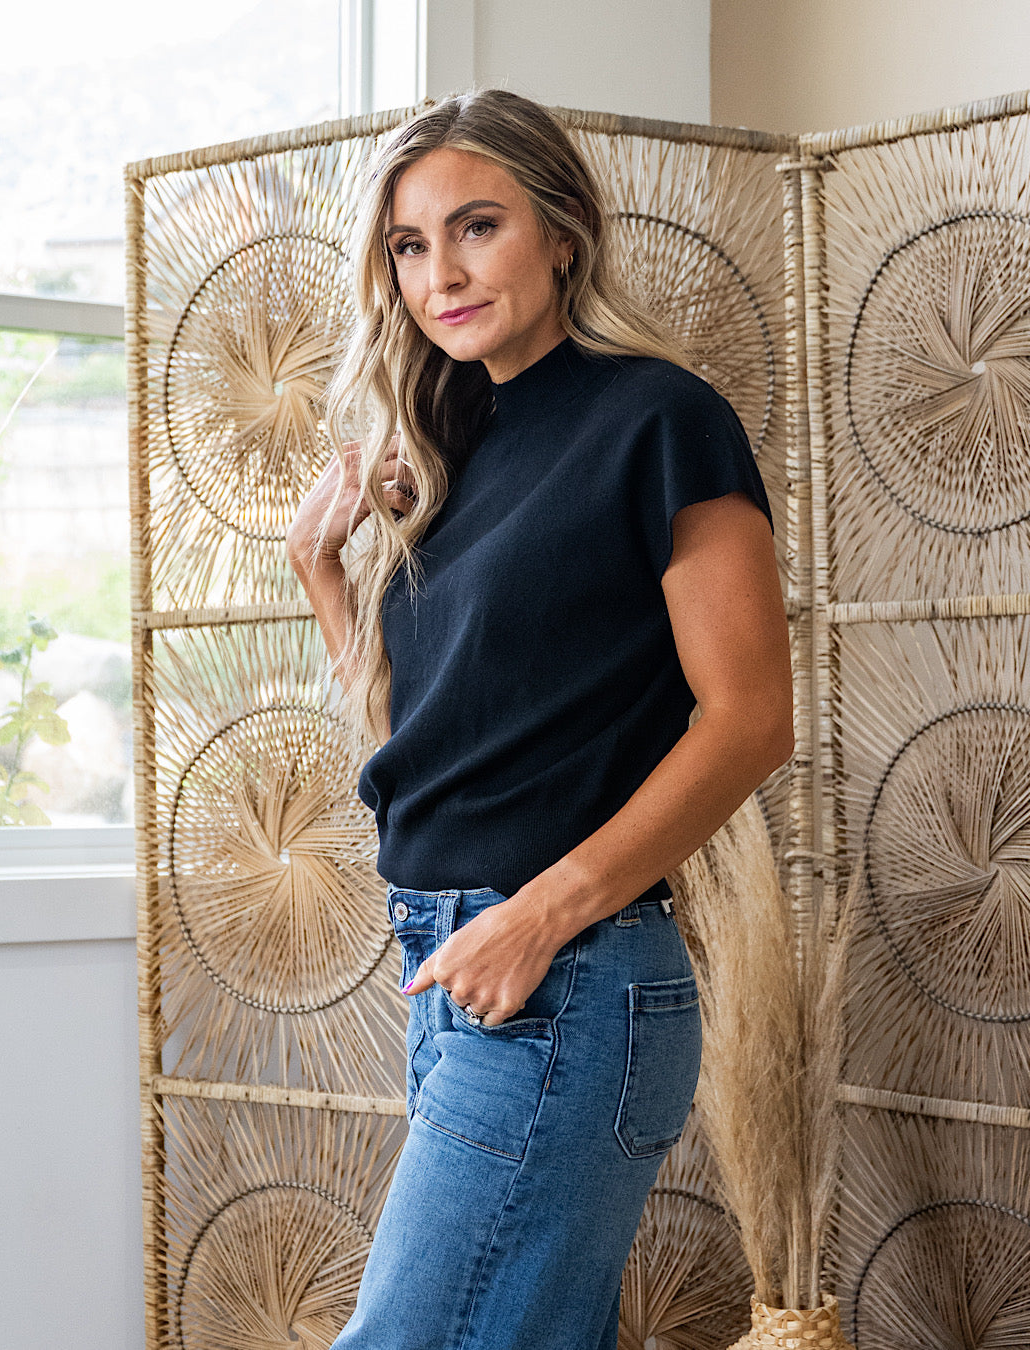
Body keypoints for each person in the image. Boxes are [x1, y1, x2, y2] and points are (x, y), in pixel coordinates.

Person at [287, 88, 793, 1350]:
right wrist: (324, 575)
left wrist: (539, 915)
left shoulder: (661, 419)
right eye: (410, 246)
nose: (441, 275)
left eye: (478, 227)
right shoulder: (455, 444)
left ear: (562, 233)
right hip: (455, 966)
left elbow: (750, 721)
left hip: (565, 975)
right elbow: (423, 748)